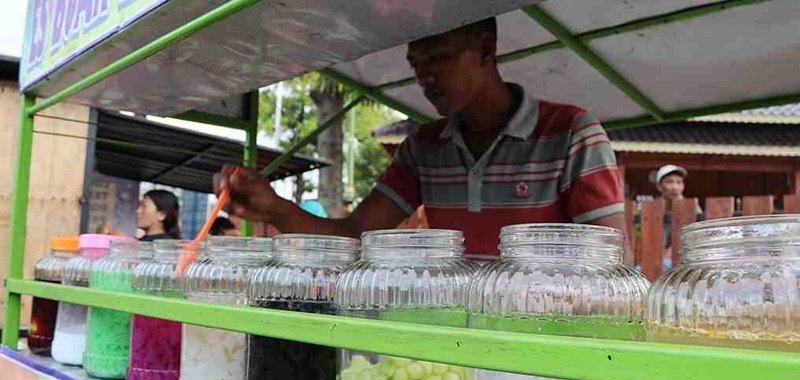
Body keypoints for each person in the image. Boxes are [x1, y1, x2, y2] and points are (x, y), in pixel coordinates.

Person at [215, 17, 630, 264]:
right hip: (456, 343)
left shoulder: (572, 133)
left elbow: (612, 263)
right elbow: (357, 235)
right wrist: (274, 209)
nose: (424, 77)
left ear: (485, 50)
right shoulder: (423, 147)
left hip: (545, 344)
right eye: (416, 63)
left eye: (437, 58)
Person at [655, 164, 699, 270]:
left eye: (679, 182)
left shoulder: (692, 208)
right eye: (669, 182)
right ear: (659, 186)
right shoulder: (653, 209)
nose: (675, 187)